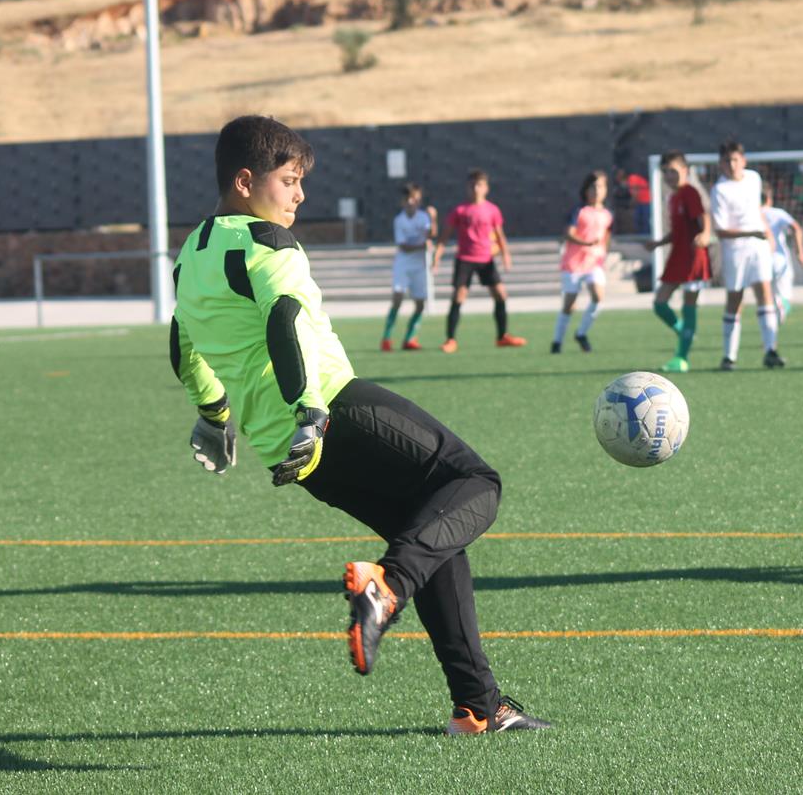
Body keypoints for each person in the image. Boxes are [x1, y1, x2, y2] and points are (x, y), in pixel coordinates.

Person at [171, 115, 549, 734]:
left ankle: (479, 705)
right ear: (246, 181)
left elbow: (181, 344)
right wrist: (312, 411)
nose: (299, 195)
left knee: (430, 531)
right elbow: (285, 318)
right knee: (477, 483)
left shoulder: (191, 255)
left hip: (284, 448)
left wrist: (215, 414)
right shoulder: (265, 242)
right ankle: (386, 589)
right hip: (329, 412)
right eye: (289, 181)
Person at [431, 169, 527, 352]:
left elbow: (500, 235)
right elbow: (444, 237)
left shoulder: (492, 210)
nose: (476, 188)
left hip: (486, 259)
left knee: (500, 294)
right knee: (459, 296)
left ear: (486, 188)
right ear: (467, 188)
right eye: (472, 185)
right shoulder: (460, 211)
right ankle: (450, 339)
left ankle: (502, 336)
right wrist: (437, 257)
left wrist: (506, 255)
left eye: (479, 185)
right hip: (465, 259)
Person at [711, 140, 784, 370]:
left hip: (758, 246)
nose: (732, 165)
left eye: (735, 159)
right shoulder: (719, 189)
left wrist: (768, 233)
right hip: (735, 249)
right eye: (727, 161)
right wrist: (752, 231)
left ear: (743, 160)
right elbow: (721, 230)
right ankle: (729, 356)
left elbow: (756, 211)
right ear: (721, 164)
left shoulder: (753, 178)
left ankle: (771, 350)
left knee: (765, 293)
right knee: (735, 299)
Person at [645, 150, 712, 373]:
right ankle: (685, 331)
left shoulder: (690, 192)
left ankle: (681, 358)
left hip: (694, 256)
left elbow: (704, 219)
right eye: (665, 172)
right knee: (659, 303)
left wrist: (705, 235)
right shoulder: (672, 197)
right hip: (677, 255)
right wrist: (658, 243)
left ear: (685, 171)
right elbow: (677, 231)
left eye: (673, 171)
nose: (669, 176)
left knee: (688, 304)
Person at [552, 171, 613, 353]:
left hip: (594, 263)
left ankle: (581, 333)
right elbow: (568, 233)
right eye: (593, 187)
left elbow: (606, 235)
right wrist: (585, 242)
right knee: (569, 305)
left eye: (600, 186)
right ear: (586, 190)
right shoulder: (580, 211)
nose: (596, 190)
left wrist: (604, 252)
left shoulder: (607, 214)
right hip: (574, 263)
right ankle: (557, 342)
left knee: (598, 296)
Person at [380, 182, 436, 352]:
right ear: (403, 201)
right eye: (408, 199)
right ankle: (387, 338)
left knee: (420, 304)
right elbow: (403, 246)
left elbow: (431, 234)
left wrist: (434, 219)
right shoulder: (399, 220)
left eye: (415, 198)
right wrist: (422, 246)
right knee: (397, 298)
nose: (412, 202)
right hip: (403, 265)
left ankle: (410, 338)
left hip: (420, 265)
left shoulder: (423, 217)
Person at [762, 186, 803, 322]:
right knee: (785, 297)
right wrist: (800, 253)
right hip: (779, 259)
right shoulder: (777, 213)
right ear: (769, 199)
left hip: (759, 260)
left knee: (766, 299)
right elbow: (796, 228)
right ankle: (780, 305)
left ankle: (770, 333)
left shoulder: (752, 213)